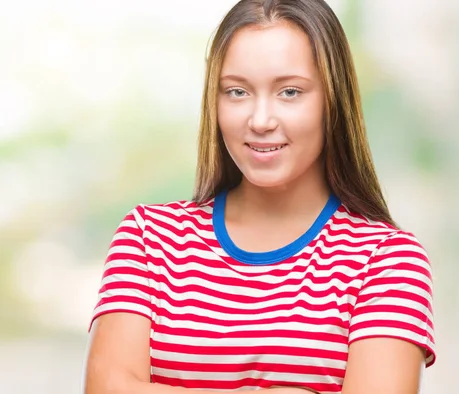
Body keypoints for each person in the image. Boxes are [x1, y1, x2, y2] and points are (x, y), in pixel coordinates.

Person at [81, 0, 436, 393]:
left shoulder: (386, 259)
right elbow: (106, 388)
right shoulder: (150, 238)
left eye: (289, 91)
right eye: (237, 91)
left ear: (332, 101)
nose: (261, 120)